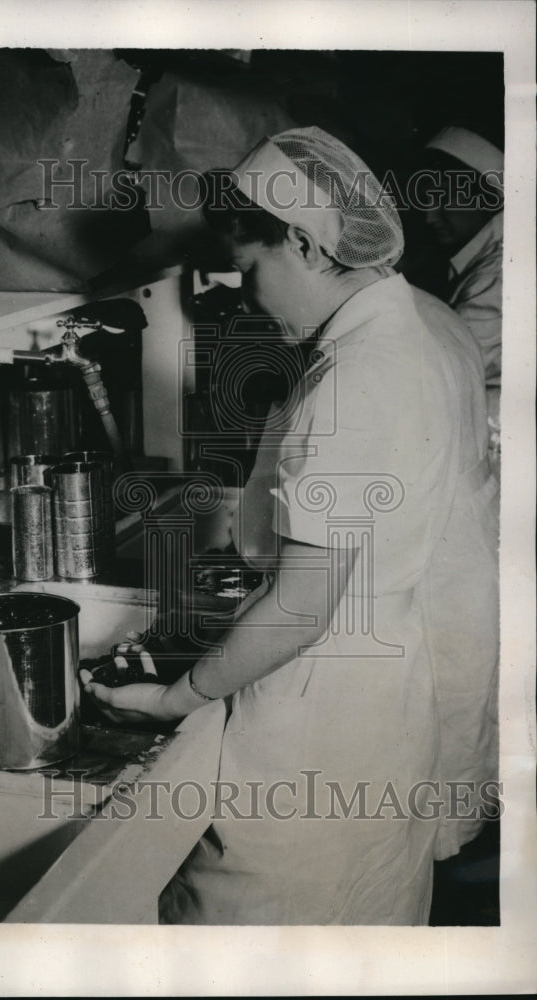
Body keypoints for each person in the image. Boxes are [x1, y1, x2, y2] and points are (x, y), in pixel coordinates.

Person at [81, 127, 499, 925]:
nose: (247, 293)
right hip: (386, 695)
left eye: (252, 269)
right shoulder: (425, 323)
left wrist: (177, 697)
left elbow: (301, 606)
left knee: (257, 936)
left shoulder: (356, 379)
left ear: (305, 243)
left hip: (318, 708)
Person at [421, 126, 504, 469]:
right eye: (426, 199)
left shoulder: (500, 274)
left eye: (443, 199)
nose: (429, 216)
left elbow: (444, 372)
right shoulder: (486, 254)